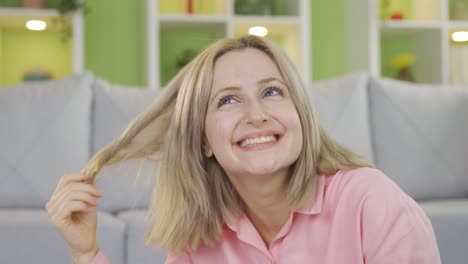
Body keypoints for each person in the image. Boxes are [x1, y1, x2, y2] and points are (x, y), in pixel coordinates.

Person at [46, 35, 441, 264]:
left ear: (300, 113)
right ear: (202, 140)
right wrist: (86, 253)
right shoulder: (197, 240)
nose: (257, 115)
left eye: (272, 91)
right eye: (228, 100)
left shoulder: (372, 202)